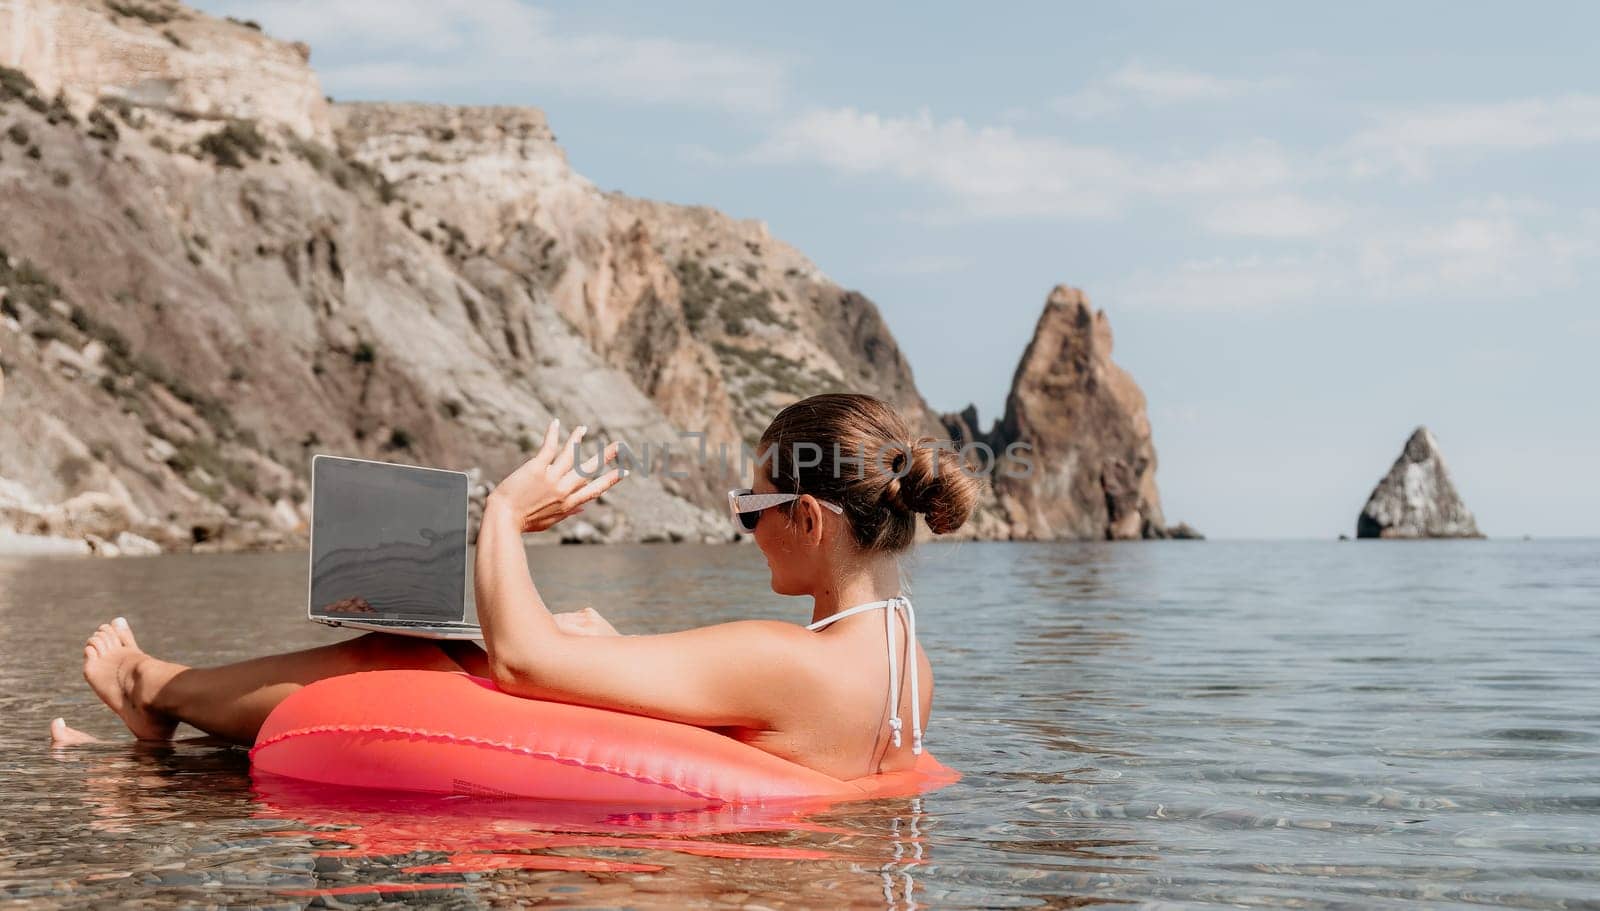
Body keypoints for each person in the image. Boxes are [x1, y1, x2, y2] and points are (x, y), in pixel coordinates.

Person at [54, 393, 979, 780]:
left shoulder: (788, 660)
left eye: (752, 507)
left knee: (401, 655)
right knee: (529, 643)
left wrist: (502, 513)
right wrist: (609, 649)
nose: (745, 530)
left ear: (809, 519)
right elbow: (752, 714)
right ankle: (163, 733)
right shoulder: (909, 664)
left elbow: (527, 664)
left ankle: (151, 688)